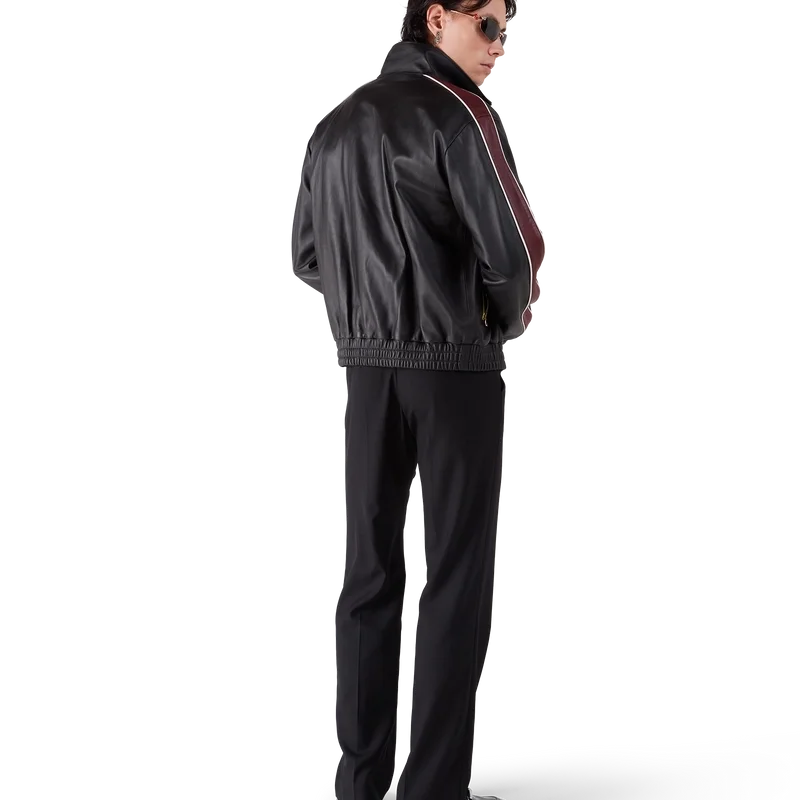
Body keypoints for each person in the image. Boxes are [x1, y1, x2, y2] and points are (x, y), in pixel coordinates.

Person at [290, 1, 546, 798]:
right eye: (488, 26)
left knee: (368, 571)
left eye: (507, 30)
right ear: (435, 20)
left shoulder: (338, 124)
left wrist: (365, 317)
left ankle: (360, 783)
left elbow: (308, 255)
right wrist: (499, 318)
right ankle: (433, 788)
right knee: (455, 576)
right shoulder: (458, 114)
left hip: (367, 370)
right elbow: (517, 254)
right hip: (454, 367)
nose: (499, 47)